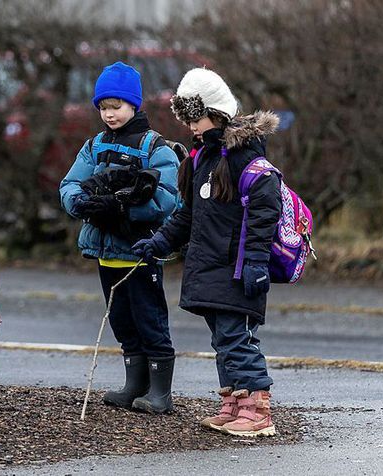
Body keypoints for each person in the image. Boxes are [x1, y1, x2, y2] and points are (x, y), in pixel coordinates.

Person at [133, 68, 281, 436]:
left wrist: (257, 263)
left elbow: (266, 213)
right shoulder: (202, 159)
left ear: (217, 112)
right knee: (223, 339)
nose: (191, 128)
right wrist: (159, 242)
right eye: (186, 120)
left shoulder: (245, 160)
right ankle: (234, 401)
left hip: (238, 268)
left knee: (238, 337)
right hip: (211, 266)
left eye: (196, 119)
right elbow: (188, 214)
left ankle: (257, 408)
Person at [60, 62, 180, 414]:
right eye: (102, 108)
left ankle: (160, 391)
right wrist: (81, 203)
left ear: (134, 105)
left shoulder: (154, 148)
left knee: (150, 318)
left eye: (116, 106)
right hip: (106, 252)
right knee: (122, 320)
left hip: (141, 252)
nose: (109, 115)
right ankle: (135, 383)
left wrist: (121, 208)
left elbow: (166, 200)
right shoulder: (93, 146)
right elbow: (69, 185)